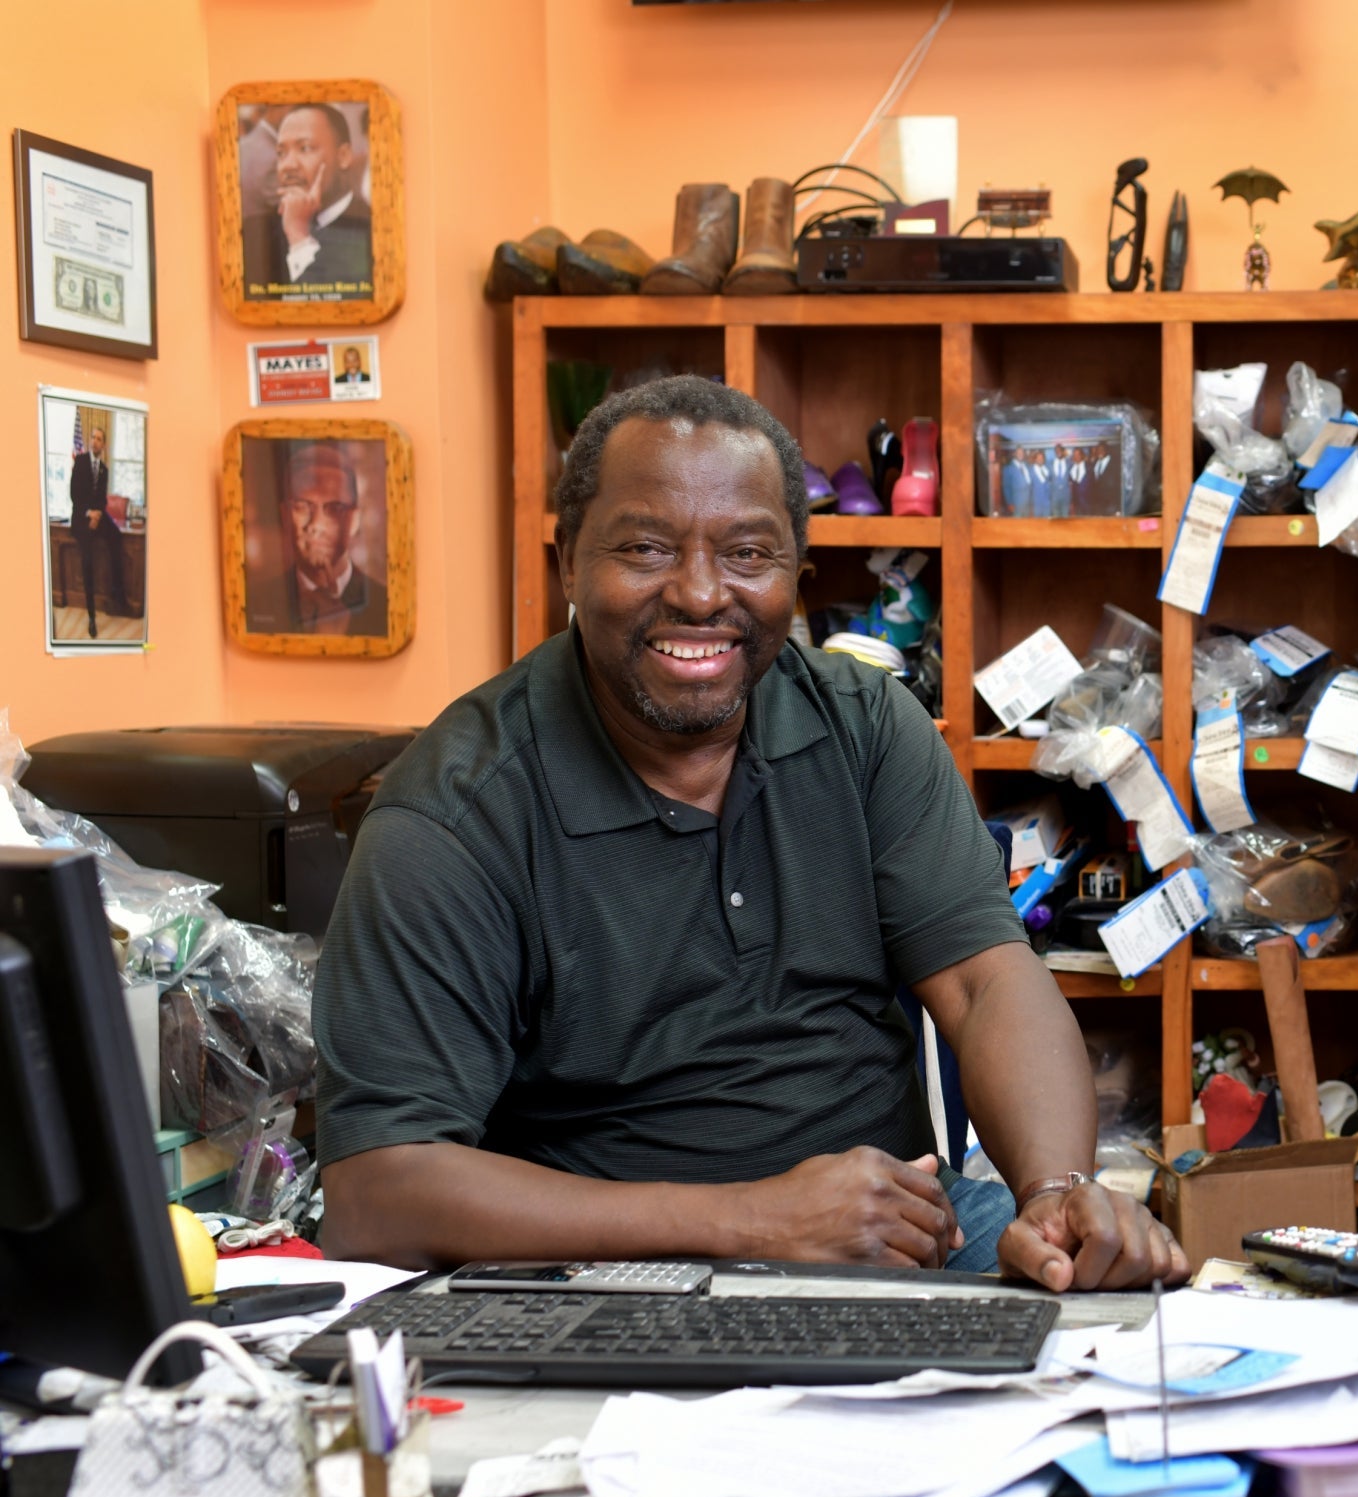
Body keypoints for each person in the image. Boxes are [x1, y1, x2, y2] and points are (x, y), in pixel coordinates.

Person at [312, 375, 1186, 1292]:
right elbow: (378, 1192)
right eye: (645, 546)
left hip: (892, 1237)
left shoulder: (864, 726)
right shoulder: (458, 809)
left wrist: (1055, 1191)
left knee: (1128, 1367)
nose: (699, 594)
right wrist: (755, 1220)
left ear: (797, 575)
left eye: (748, 552)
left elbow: (983, 977)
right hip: (599, 1273)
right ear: (568, 558)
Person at [240, 104, 372, 296]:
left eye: (305, 148)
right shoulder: (256, 234)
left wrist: (299, 237)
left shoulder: (372, 228)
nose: (288, 165)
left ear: (343, 156)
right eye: (281, 153)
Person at [277, 442, 386, 637]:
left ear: (354, 521)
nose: (316, 525)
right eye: (302, 506)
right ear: (285, 516)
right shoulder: (254, 601)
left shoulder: (387, 607)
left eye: (334, 508)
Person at [65, 419, 131, 635]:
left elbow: (102, 499)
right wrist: (88, 514)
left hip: (97, 516)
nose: (95, 441)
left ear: (104, 446)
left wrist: (99, 514)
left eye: (99, 439)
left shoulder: (104, 469)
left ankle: (117, 596)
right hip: (81, 517)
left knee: (116, 537)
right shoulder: (81, 461)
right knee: (88, 559)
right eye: (93, 437)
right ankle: (92, 617)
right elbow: (74, 494)